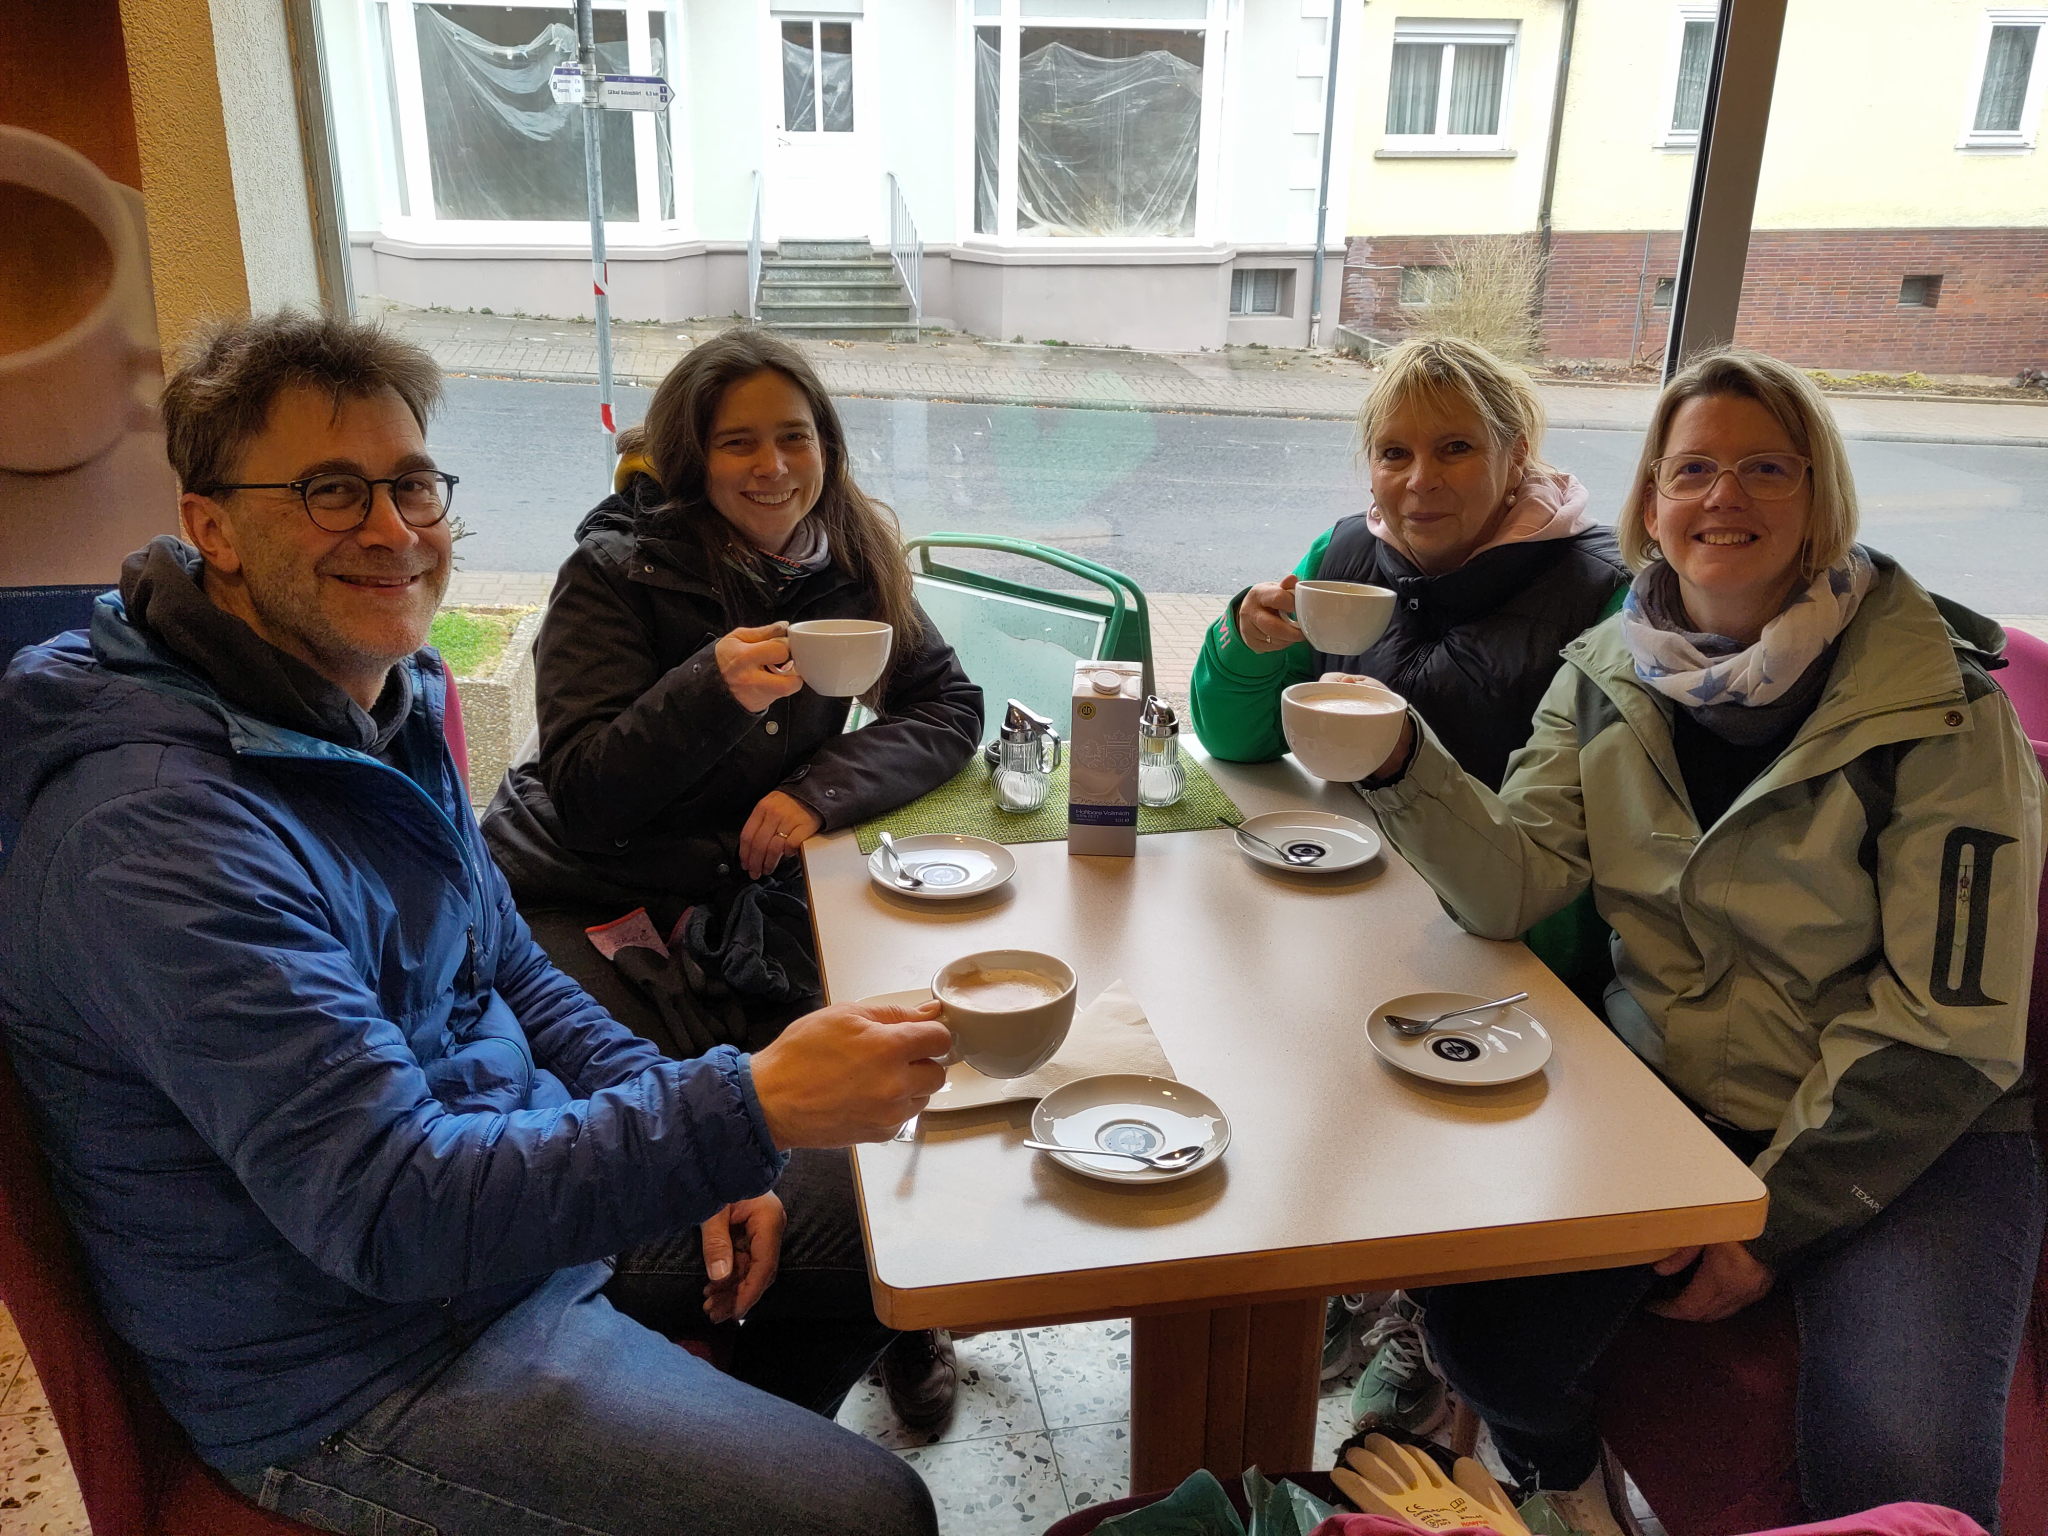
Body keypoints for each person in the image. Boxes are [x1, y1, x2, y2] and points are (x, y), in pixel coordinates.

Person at [0, 311, 953, 1536]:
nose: (392, 530)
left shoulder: (369, 705)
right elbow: (392, 1210)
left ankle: (706, 1448)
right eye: (330, 491)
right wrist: (739, 1109)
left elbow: (506, 963)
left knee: (882, 1217)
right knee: (870, 1514)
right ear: (213, 527)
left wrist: (702, 1124)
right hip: (362, 1364)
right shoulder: (155, 837)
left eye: (410, 485)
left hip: (498, 1233)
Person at [1345, 349, 2043, 1533]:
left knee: (1896, 1466)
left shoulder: (1939, 704)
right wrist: (1399, 760)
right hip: (1676, 1100)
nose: (1723, 496)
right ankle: (1565, 1497)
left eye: (1765, 468)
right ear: (1650, 504)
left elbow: (1946, 1023)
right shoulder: (1602, 676)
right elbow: (1510, 885)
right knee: (1484, 1337)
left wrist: (1772, 1218)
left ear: (1819, 497)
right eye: (1691, 471)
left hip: (1918, 1128)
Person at [481, 328, 982, 1429]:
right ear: (689, 458)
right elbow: (586, 793)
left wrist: (820, 789)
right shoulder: (618, 571)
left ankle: (885, 1319)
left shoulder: (846, 558)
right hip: (589, 888)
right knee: (676, 1136)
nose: (773, 467)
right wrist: (709, 690)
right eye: (737, 443)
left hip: (740, 897)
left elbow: (947, 703)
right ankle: (715, 1375)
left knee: (879, 1089)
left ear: (827, 446)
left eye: (794, 438)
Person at [1189, 333, 1628, 1421]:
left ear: (1516, 456)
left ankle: (1424, 1311)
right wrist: (1245, 644)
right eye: (1393, 452)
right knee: (1270, 1047)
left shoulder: (1600, 592)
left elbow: (1583, 839)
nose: (1417, 480)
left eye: (1453, 449)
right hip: (1345, 893)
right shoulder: (1346, 552)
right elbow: (1238, 741)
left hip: (1515, 935)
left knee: (1452, 1132)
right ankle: (1349, 1265)